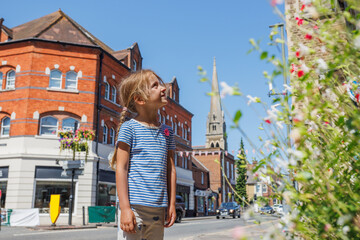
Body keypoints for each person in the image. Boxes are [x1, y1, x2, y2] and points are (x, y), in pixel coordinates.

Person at [110, 69, 177, 240]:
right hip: (134, 208)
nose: (163, 88)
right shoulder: (129, 128)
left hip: (158, 209)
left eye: (160, 84)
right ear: (140, 99)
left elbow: (170, 170)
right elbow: (122, 168)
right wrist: (125, 208)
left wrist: (171, 204)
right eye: (155, 86)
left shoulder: (168, 132)